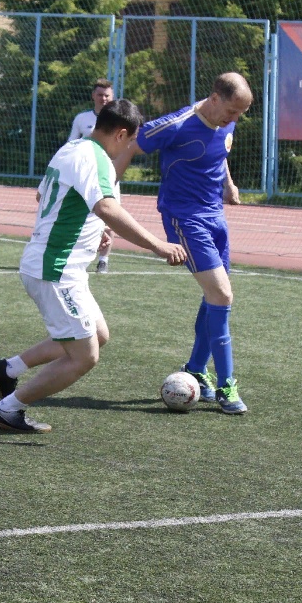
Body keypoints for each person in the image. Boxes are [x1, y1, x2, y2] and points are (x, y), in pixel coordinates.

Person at [0, 99, 187, 432]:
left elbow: (46, 197)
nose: (129, 148)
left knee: (98, 334)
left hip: (57, 265)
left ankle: (8, 369)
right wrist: (158, 245)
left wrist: (92, 229)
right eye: (130, 141)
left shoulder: (72, 148)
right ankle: (8, 409)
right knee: (85, 356)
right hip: (56, 269)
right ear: (121, 134)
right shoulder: (96, 159)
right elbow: (106, 207)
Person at [122, 71, 253, 415]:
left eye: (240, 113)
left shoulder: (226, 121)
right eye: (232, 111)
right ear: (214, 98)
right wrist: (107, 191)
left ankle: (195, 368)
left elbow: (220, 151)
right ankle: (226, 385)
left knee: (215, 296)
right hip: (184, 217)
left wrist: (228, 184)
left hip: (215, 216)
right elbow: (132, 143)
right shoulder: (177, 124)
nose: (234, 119)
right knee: (222, 295)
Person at [68, 78, 116, 272]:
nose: (103, 98)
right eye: (100, 94)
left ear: (112, 97)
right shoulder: (82, 118)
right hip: (84, 177)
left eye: (107, 95)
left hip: (109, 176)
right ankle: (75, 255)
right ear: (93, 96)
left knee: (110, 217)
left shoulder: (118, 118)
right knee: (79, 214)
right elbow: (71, 144)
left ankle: (104, 260)